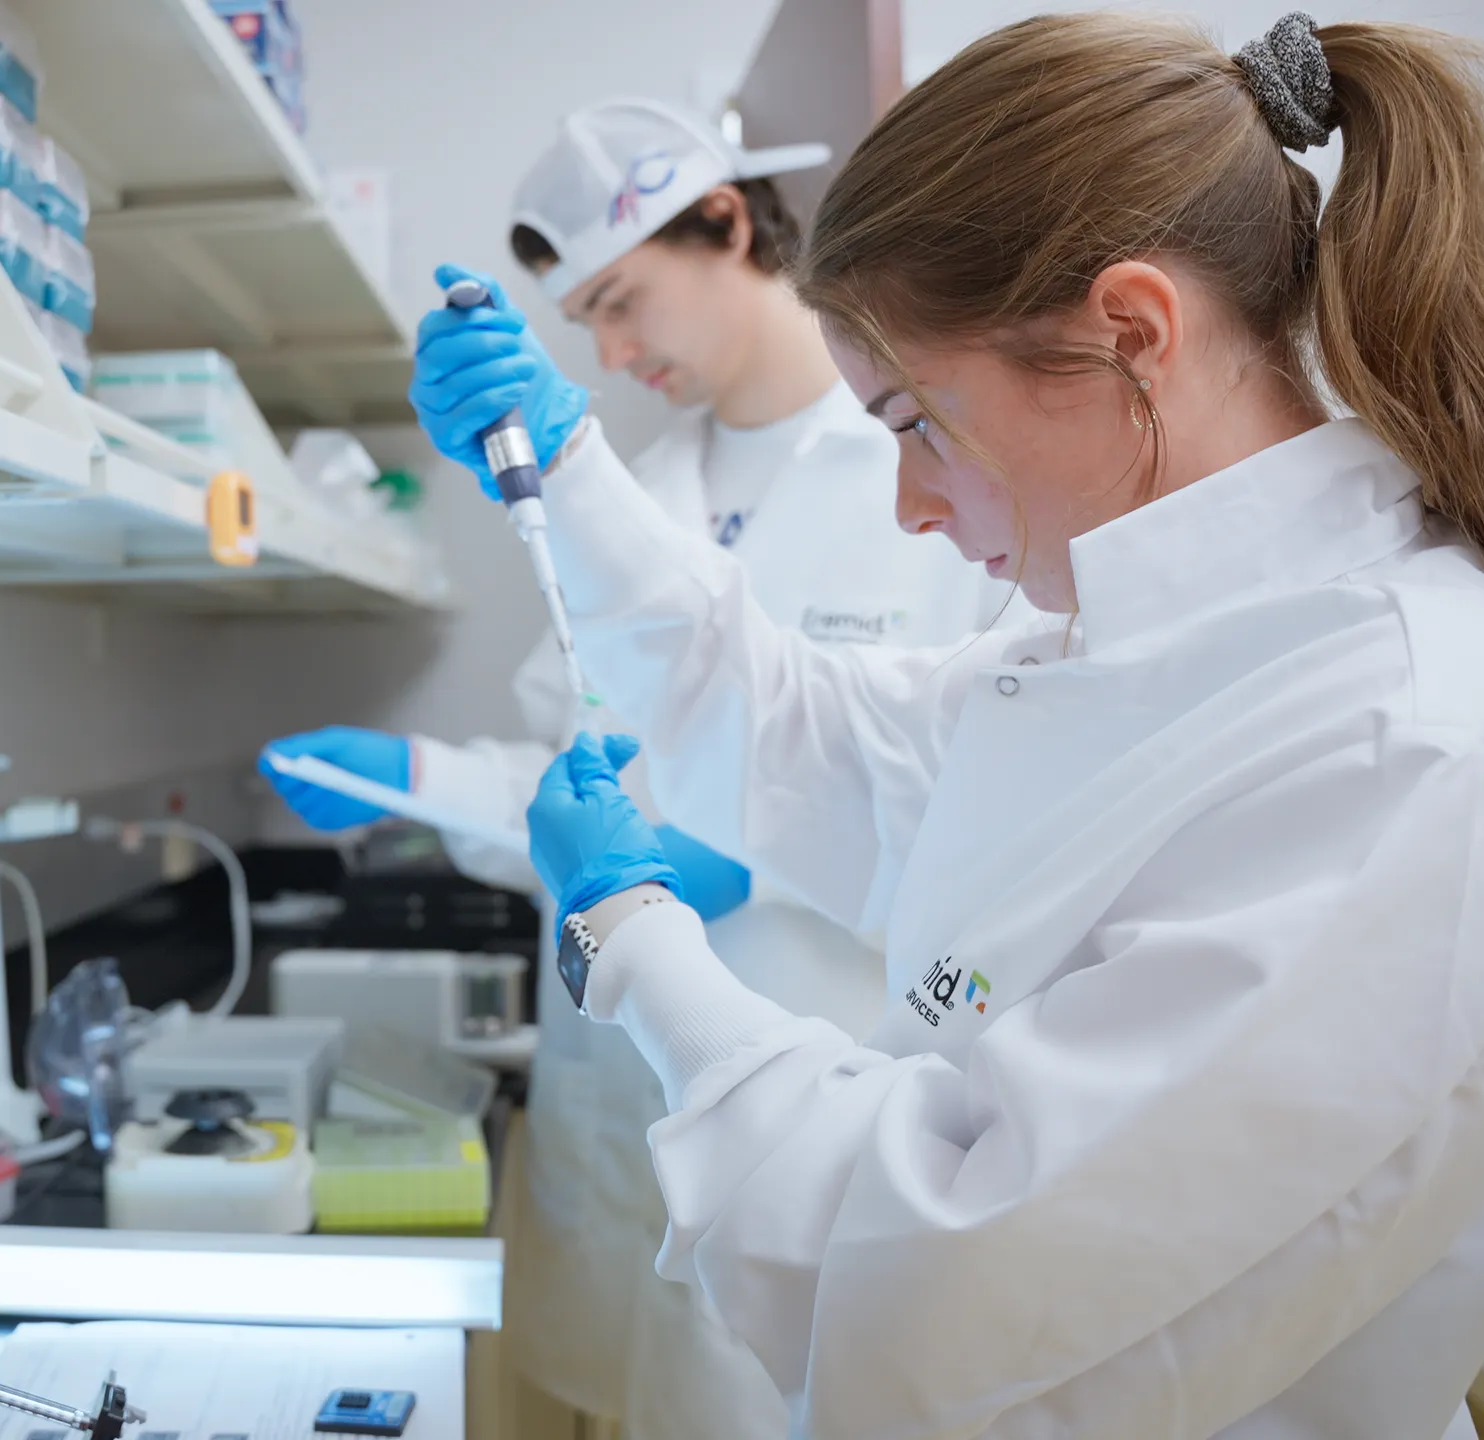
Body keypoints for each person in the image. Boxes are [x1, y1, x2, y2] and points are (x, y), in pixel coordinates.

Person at [410, 12, 1484, 1437]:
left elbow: (929, 1283)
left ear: (1132, 334)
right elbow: (809, 734)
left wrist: (629, 939)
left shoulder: (1420, 751)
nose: (911, 508)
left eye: (917, 424)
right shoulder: (1140, 656)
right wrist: (564, 470)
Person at [262, 101, 1008, 1435]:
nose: (608, 352)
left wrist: (761, 855)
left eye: (622, 300)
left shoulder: (930, 478)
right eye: (581, 323)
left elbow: (984, 803)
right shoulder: (641, 487)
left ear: (728, 222)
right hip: (616, 1088)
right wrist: (415, 774)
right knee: (624, 1388)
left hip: (811, 1065)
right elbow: (576, 781)